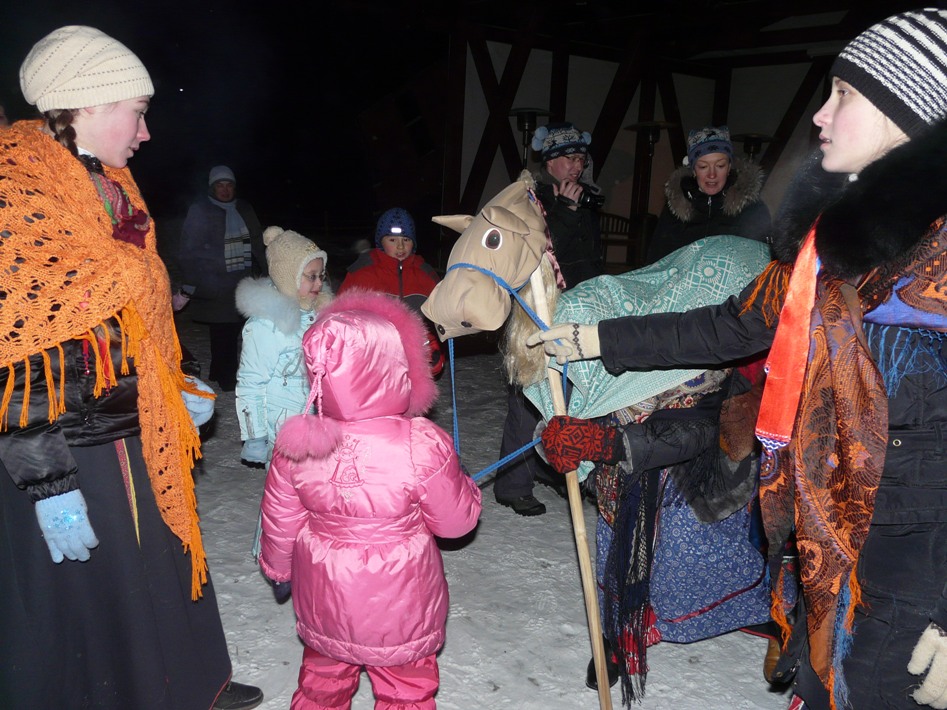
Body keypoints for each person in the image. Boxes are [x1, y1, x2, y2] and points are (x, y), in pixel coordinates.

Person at [528, 8, 947, 709]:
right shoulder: (825, 254)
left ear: (907, 113)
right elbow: (725, 325)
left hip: (915, 566)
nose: (819, 115)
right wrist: (597, 338)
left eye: (844, 95)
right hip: (828, 544)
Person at [0, 25, 262, 709]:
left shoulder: (107, 181)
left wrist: (171, 384)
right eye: (137, 112)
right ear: (86, 103)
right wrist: (48, 481)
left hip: (129, 419)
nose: (146, 133)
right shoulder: (19, 193)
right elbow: (16, 349)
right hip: (68, 443)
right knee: (96, 588)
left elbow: (126, 314)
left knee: (160, 557)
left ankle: (188, 682)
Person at [258, 290, 482, 709]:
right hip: (401, 599)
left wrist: (278, 567)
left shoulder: (298, 441)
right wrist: (465, 486)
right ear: (395, 365)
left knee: (322, 681)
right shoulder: (419, 443)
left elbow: (280, 516)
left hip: (325, 593)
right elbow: (456, 523)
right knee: (406, 688)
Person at [493, 122, 607, 516]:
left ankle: (556, 470)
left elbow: (589, 258)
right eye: (568, 158)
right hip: (536, 311)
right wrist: (566, 211)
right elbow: (538, 249)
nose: (576, 165)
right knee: (528, 397)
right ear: (550, 162)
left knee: (572, 396)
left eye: (580, 158)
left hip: (578, 307)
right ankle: (513, 484)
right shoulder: (530, 199)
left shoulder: (585, 200)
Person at [235, 225, 333, 556]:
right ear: (288, 277)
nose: (318, 284)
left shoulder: (319, 316)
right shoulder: (266, 326)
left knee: (315, 493)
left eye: (321, 276)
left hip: (317, 421)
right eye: (310, 277)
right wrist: (254, 435)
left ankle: (307, 555)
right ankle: (270, 552)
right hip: (282, 426)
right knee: (284, 497)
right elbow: (251, 382)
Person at [178, 164, 265, 391]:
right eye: (220, 185)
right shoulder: (201, 210)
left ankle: (218, 370)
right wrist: (191, 281)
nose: (225, 190)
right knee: (223, 327)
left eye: (229, 185)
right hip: (213, 278)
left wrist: (268, 271)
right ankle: (227, 377)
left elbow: (257, 241)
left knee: (235, 327)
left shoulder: (244, 208)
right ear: (212, 188)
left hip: (243, 277)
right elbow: (189, 247)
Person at [339, 206, 445, 376]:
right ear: (381, 241)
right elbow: (340, 317)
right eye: (392, 240)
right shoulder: (362, 273)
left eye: (406, 239)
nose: (400, 246)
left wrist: (433, 348)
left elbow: (440, 318)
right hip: (372, 360)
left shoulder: (426, 275)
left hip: (413, 361)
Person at [645, 125, 771, 264]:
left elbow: (763, 261)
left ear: (729, 167)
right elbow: (656, 262)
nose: (712, 175)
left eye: (720, 166)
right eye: (703, 166)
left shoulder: (751, 208)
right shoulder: (676, 208)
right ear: (693, 170)